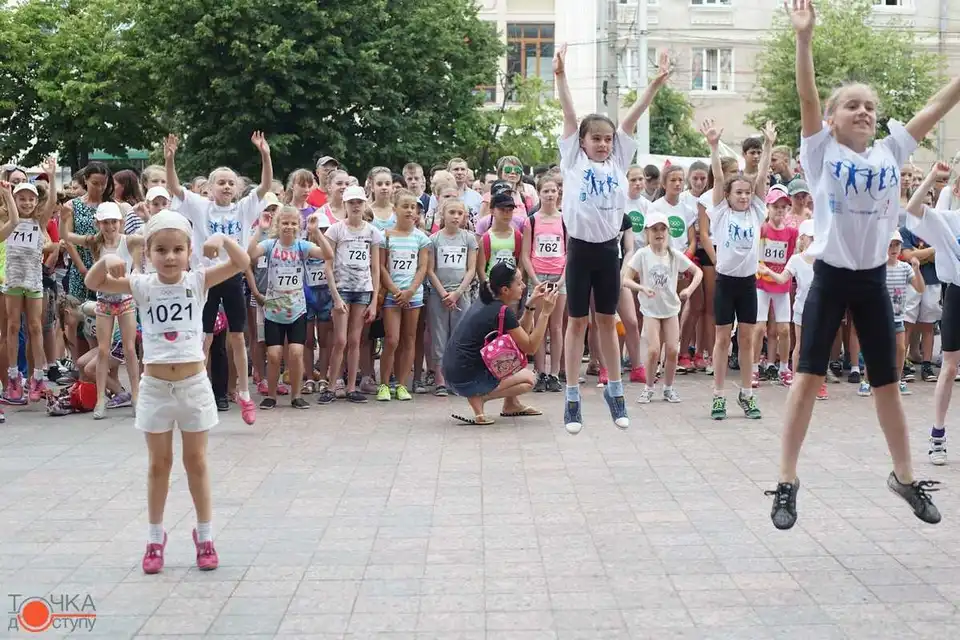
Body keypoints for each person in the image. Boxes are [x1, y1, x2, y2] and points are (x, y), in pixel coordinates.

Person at [767, 0, 960, 530]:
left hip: (875, 281)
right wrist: (804, 39)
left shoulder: (889, 153)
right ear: (832, 119)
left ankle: (904, 476)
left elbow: (936, 107)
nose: (864, 111)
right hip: (830, 279)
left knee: (887, 387)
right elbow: (807, 94)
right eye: (851, 104)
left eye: (869, 106)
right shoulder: (821, 153)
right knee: (806, 382)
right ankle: (787, 482)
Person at [85, 209, 250, 574]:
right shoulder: (142, 284)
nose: (170, 257)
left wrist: (222, 240)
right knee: (159, 465)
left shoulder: (198, 280)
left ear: (189, 250)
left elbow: (242, 262)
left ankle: (205, 535)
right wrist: (111, 259)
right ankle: (155, 538)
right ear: (148, 252)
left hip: (193, 385)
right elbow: (96, 282)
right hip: (156, 387)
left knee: (197, 462)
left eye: (178, 249)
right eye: (161, 249)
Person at [554, 43, 670, 435]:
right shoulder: (573, 159)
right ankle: (572, 397)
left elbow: (632, 117)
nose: (603, 143)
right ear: (583, 142)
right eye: (596, 138)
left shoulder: (619, 161)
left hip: (607, 253)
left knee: (609, 321)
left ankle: (615, 390)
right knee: (576, 323)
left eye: (607, 138)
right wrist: (560, 77)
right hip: (580, 250)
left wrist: (654, 85)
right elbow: (570, 114)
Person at [163, 132, 274, 424]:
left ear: (237, 188)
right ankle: (194, 390)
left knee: (238, 336)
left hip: (233, 274)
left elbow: (264, 186)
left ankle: (244, 392)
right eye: (220, 182)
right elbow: (174, 187)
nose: (226, 186)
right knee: (205, 336)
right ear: (209, 188)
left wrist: (265, 154)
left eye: (230, 182)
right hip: (205, 277)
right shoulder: (200, 206)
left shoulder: (243, 207)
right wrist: (170, 158)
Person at [702, 119, 774, 420]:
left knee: (746, 339)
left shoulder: (757, 211)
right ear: (729, 197)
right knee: (722, 339)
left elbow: (761, 177)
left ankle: (747, 394)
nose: (744, 196)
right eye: (738, 193)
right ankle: (718, 395)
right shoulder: (720, 214)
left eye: (747, 193)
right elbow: (718, 178)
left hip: (747, 284)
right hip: (726, 283)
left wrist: (768, 145)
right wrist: (714, 146)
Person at [443, 262, 558, 425]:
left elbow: (520, 338)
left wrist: (530, 305)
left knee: (514, 354)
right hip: (467, 379)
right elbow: (531, 347)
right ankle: (480, 397)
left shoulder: (486, 300)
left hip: (453, 373)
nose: (524, 286)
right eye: (519, 283)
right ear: (505, 290)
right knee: (529, 379)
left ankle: (512, 404)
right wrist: (545, 312)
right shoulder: (500, 310)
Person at [248, 205, 333, 409]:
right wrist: (260, 230)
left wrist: (316, 233)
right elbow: (248, 255)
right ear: (278, 224)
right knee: (274, 354)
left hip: (297, 310)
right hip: (273, 310)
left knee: (296, 352)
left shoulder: (302, 246)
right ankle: (271, 395)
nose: (289, 227)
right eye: (285, 223)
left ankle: (296, 395)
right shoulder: (270, 245)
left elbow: (328, 254)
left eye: (293, 223)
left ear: (298, 226)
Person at [904, 162, 960, 466]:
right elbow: (913, 207)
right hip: (957, 293)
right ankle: (937, 436)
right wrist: (932, 177)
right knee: (949, 368)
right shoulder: (948, 220)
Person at [622, 211, 702, 404]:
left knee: (673, 349)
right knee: (653, 350)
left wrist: (689, 291)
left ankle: (668, 387)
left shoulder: (674, 255)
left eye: (663, 229)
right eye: (655, 229)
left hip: (671, 309)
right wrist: (642, 287)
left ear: (668, 232)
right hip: (650, 309)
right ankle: (649, 387)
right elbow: (625, 279)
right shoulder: (643, 254)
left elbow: (697, 272)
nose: (659, 233)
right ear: (648, 233)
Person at [377, 190, 430, 401]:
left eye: (413, 208)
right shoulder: (385, 236)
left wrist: (410, 291)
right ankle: (384, 383)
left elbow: (423, 267)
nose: (409, 211)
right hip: (392, 295)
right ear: (395, 209)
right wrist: (395, 290)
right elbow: (381, 267)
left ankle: (401, 384)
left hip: (413, 295)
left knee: (409, 339)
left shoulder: (421, 238)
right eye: (405, 206)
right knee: (391, 339)